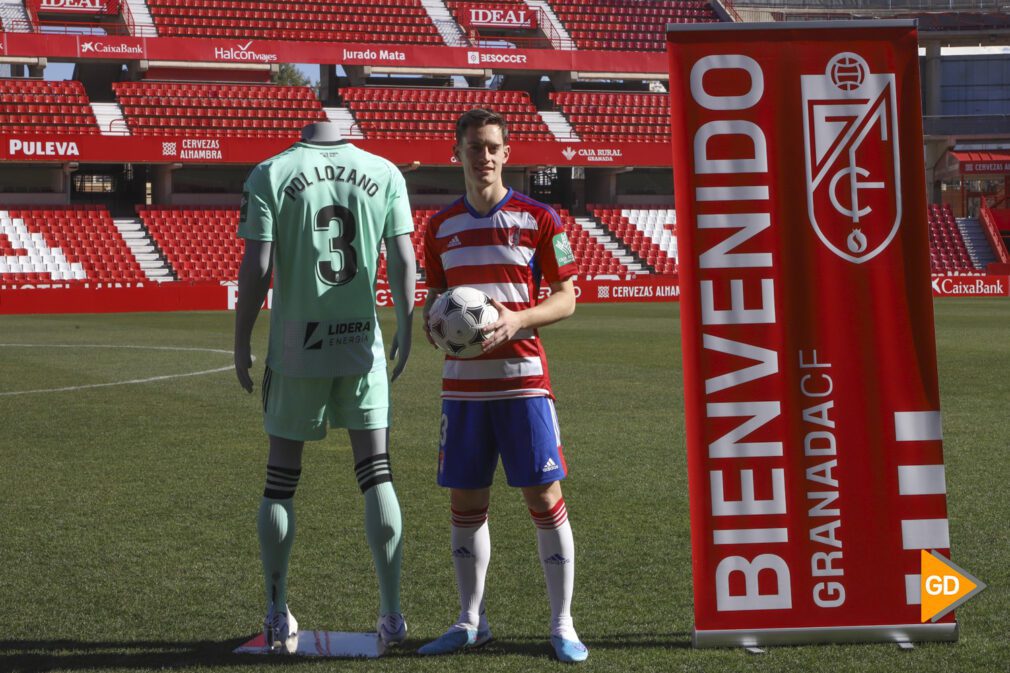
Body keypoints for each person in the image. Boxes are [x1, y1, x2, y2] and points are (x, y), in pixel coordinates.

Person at [234, 121, 416, 654]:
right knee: (376, 475)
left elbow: (258, 267)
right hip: (362, 346)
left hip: (296, 350)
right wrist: (405, 330)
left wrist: (241, 338)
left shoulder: (271, 171)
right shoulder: (384, 171)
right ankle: (392, 615)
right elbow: (404, 260)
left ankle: (275, 611)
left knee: (280, 480)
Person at [418, 108, 588, 663]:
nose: (483, 156)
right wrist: (434, 324)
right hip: (463, 390)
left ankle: (562, 624)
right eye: (473, 147)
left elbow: (566, 297)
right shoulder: (438, 228)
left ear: (507, 153)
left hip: (523, 383)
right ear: (458, 153)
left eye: (492, 147)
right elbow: (436, 302)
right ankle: (471, 621)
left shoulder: (541, 218)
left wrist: (516, 319)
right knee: (467, 502)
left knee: (544, 496)